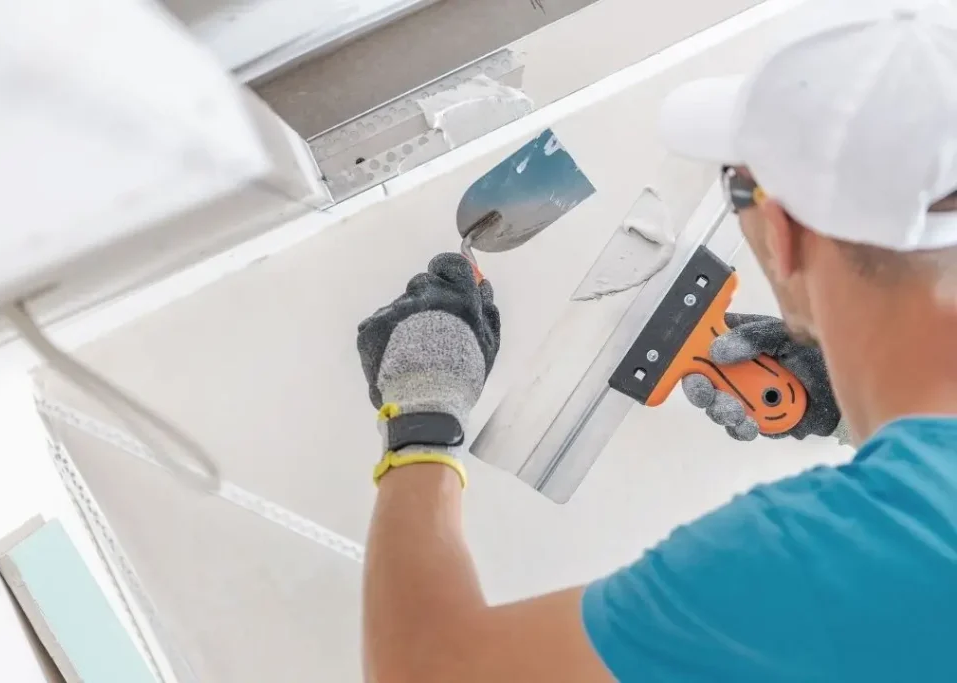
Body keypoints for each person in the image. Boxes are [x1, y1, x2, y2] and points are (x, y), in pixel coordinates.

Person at [355, 2, 957, 681]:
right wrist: (846, 410)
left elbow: (428, 669)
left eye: (738, 185)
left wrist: (423, 417)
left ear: (781, 232)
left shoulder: (828, 555)